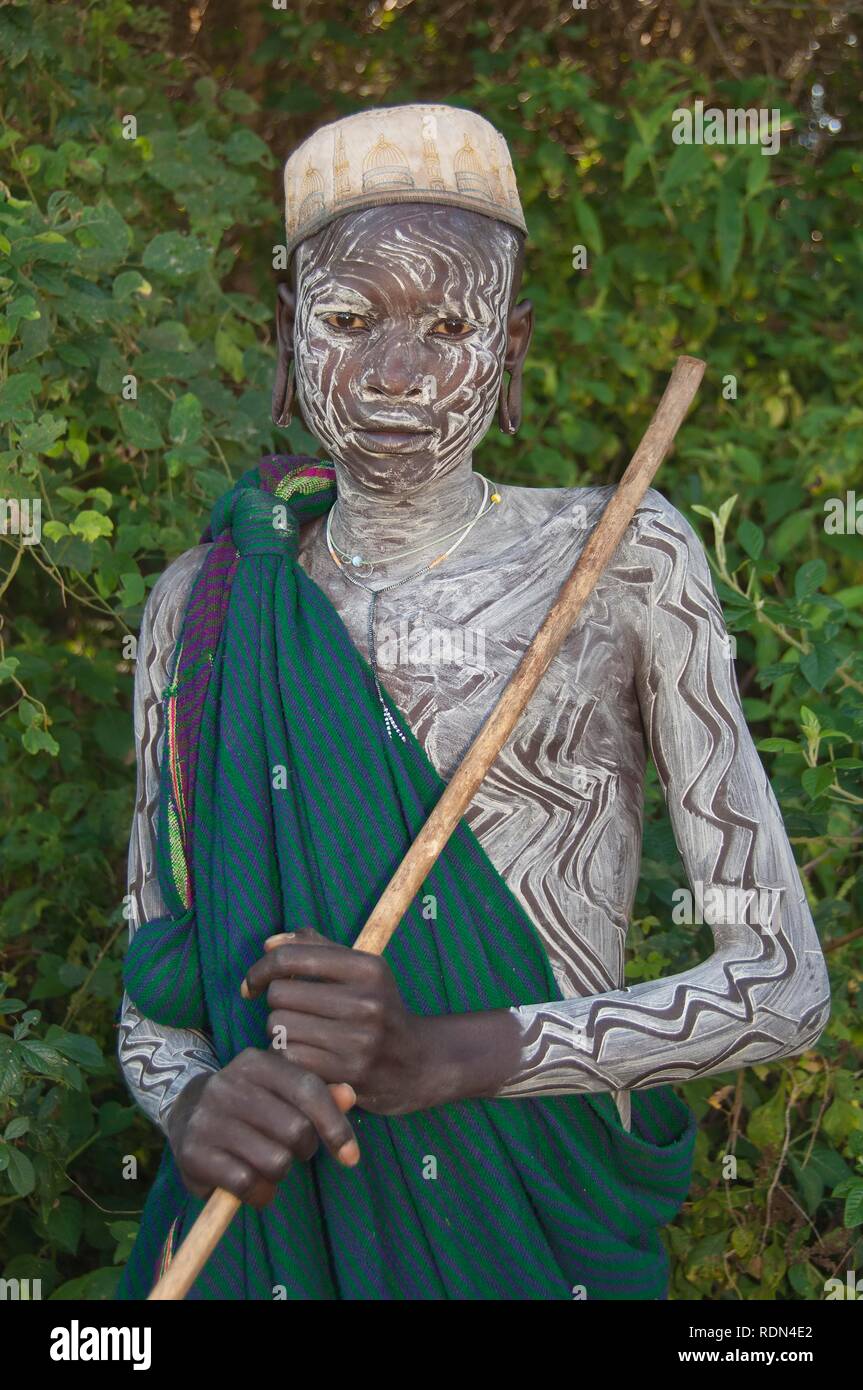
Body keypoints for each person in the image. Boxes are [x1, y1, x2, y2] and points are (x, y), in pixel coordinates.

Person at [116, 105, 830, 1300]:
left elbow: (779, 982)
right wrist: (193, 1097)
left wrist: (450, 1055)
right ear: (288, 340)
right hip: (274, 1229)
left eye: (448, 327)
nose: (395, 374)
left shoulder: (621, 562)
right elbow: (151, 978)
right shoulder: (200, 605)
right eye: (348, 322)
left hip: (535, 1224)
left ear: (509, 350)